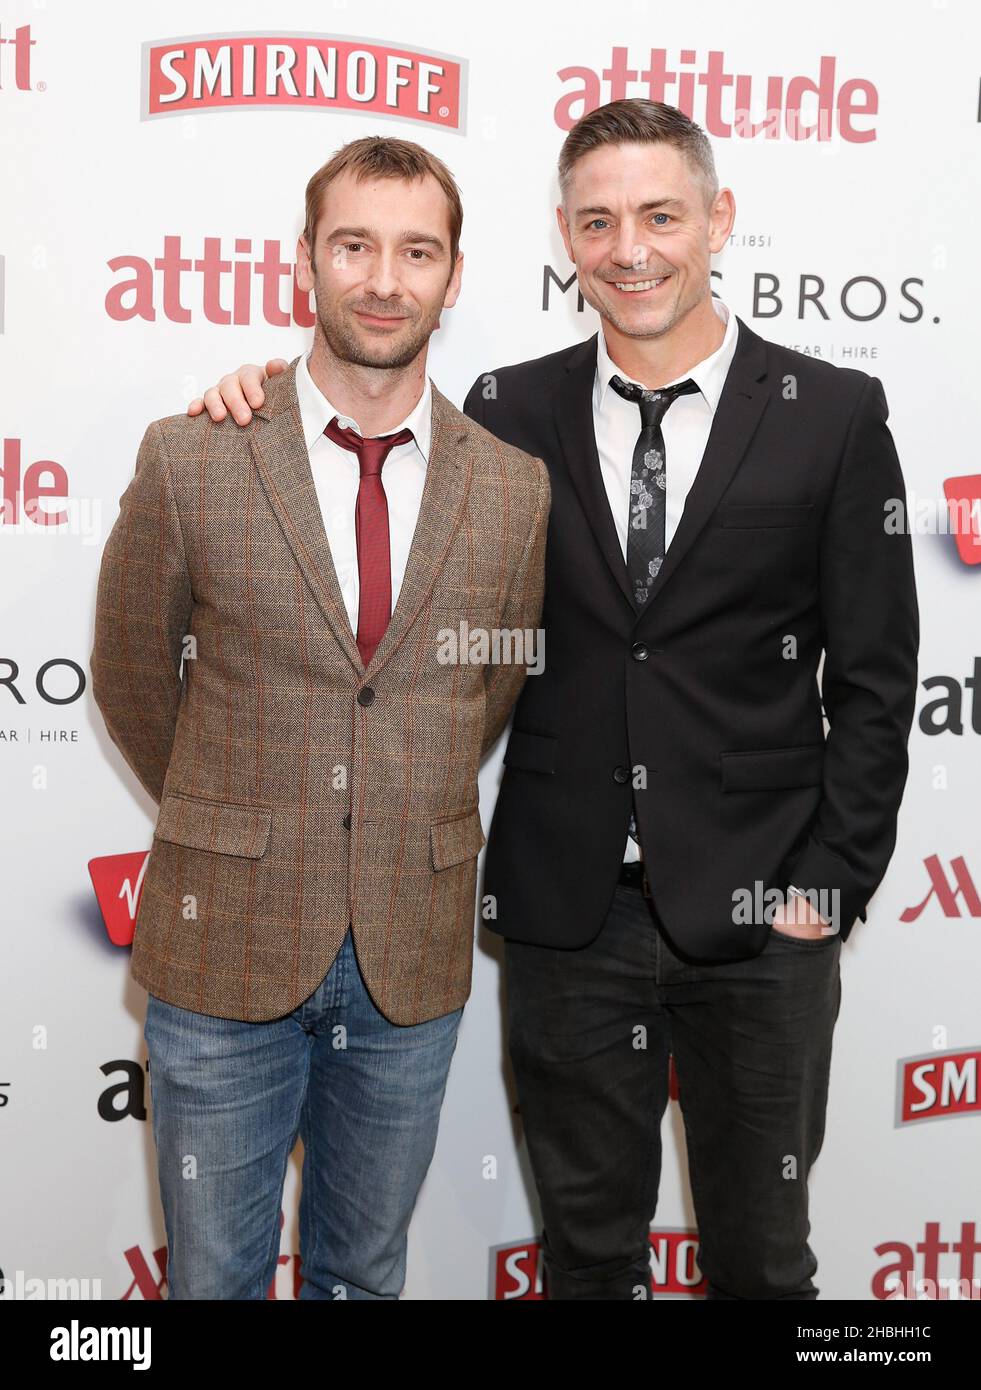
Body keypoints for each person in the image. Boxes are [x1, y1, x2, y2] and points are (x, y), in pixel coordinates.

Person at [189, 99, 919, 1300]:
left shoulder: (831, 415)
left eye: (660, 215)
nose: (630, 247)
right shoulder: (505, 410)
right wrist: (261, 404)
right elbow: (362, 429)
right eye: (599, 221)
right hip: (566, 914)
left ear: (719, 220)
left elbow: (880, 678)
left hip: (764, 917)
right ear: (566, 239)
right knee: (585, 1263)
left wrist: (826, 885)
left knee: (767, 1265)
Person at [90, 135, 549, 1301]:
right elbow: (136, 676)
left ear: (454, 274)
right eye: (354, 245)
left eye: (415, 251)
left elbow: (485, 688)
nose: (383, 279)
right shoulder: (195, 455)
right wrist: (224, 810)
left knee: (364, 1277)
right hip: (222, 941)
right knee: (212, 1280)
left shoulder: (511, 485)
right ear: (305, 260)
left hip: (411, 948)